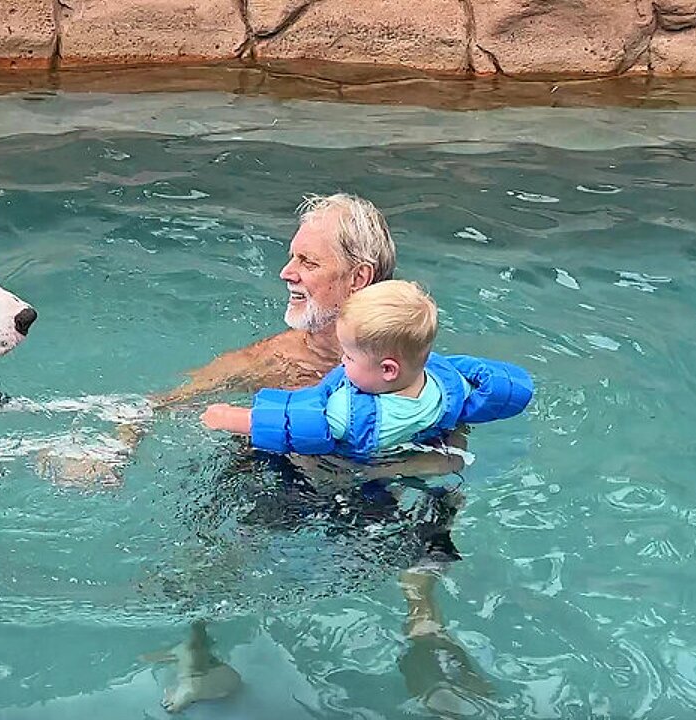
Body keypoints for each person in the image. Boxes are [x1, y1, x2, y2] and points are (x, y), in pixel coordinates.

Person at [46, 192, 496, 712]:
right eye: (292, 257)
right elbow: (158, 405)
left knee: (428, 507)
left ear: (358, 278)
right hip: (292, 489)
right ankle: (200, 653)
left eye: (307, 261)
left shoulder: (413, 366)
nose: (286, 272)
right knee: (220, 504)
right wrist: (113, 453)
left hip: (377, 497)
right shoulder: (281, 358)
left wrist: (407, 463)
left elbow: (454, 454)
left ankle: (425, 629)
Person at [200, 280, 533, 461]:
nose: (341, 363)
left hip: (343, 482)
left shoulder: (349, 413)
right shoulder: (448, 385)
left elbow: (293, 425)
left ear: (388, 370)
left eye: (348, 357)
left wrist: (227, 417)